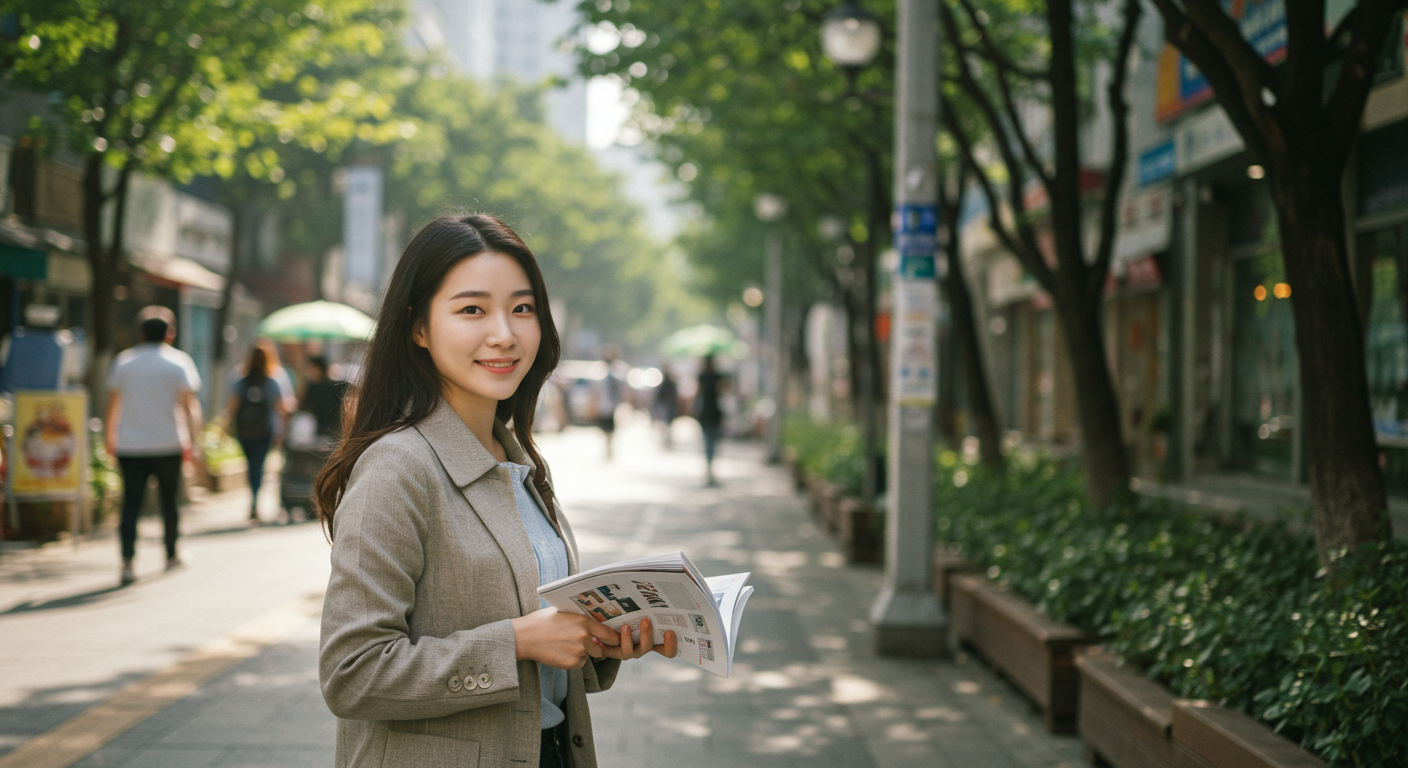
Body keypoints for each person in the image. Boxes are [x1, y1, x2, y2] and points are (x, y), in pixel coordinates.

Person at [314, 213, 677, 768]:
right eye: (472, 310)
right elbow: (351, 673)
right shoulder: (398, 468)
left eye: (522, 308)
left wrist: (598, 640)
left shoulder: (518, 461)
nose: (504, 333)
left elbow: (538, 642)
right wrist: (518, 642)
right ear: (418, 328)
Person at [105, 306, 202, 585]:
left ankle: (127, 562)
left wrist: (110, 437)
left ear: (140, 333)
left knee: (131, 504)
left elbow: (113, 404)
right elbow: (189, 407)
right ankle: (171, 554)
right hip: (168, 444)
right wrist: (194, 441)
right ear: (170, 334)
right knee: (169, 502)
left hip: (130, 445)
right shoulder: (179, 362)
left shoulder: (124, 362)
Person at [226, 341, 289, 525]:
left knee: (251, 464)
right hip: (265, 430)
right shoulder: (273, 380)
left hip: (244, 430)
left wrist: (226, 425)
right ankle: (255, 499)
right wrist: (282, 430)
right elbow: (280, 407)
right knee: (258, 465)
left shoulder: (240, 379)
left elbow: (232, 405)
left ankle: (253, 498)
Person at [299, 355, 350, 438]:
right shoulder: (312, 387)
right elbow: (304, 406)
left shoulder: (335, 386)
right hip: (319, 427)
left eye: (313, 369)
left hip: (334, 426)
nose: (311, 372)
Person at [695, 354, 726, 487]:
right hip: (706, 414)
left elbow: (724, 391)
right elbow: (698, 394)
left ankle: (710, 470)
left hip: (714, 414)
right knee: (709, 443)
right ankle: (709, 471)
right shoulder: (702, 377)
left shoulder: (716, 377)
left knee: (713, 443)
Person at [595, 345, 623, 461]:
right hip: (604, 404)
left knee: (611, 428)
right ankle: (607, 448)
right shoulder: (599, 370)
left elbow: (622, 390)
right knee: (605, 428)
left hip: (613, 405)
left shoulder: (619, 370)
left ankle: (609, 448)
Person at [653, 367, 679, 449]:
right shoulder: (665, 383)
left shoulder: (669, 383)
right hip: (666, 406)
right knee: (665, 424)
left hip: (668, 406)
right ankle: (666, 439)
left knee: (667, 423)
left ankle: (667, 439)